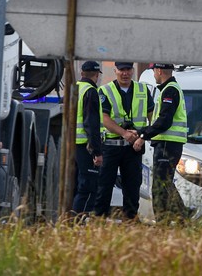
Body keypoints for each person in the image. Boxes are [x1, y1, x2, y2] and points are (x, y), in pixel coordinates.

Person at [94, 62, 153, 220]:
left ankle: (131, 220)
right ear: (115, 71)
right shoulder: (105, 91)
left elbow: (151, 116)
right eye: (121, 70)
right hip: (111, 146)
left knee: (133, 186)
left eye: (128, 70)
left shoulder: (143, 89)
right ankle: (99, 220)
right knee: (105, 185)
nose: (125, 73)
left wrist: (143, 135)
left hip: (133, 147)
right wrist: (124, 133)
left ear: (133, 71)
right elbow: (105, 119)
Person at [134, 63, 189, 221]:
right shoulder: (169, 89)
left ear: (158, 71)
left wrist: (143, 135)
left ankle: (163, 221)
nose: (153, 75)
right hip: (168, 144)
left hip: (167, 144)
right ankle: (182, 218)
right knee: (165, 183)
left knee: (160, 186)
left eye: (154, 72)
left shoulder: (169, 91)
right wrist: (143, 132)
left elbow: (164, 121)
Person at [72, 60, 103, 215]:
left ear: (82, 73)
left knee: (75, 185)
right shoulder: (90, 91)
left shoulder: (75, 89)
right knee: (89, 185)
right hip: (85, 145)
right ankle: (80, 220)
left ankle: (69, 220)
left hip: (71, 145)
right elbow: (91, 123)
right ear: (96, 75)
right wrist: (97, 152)